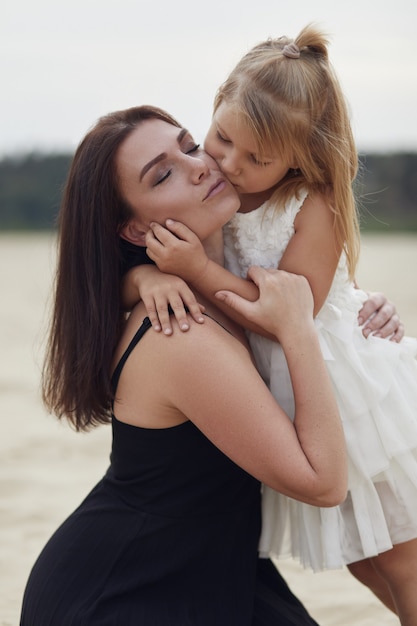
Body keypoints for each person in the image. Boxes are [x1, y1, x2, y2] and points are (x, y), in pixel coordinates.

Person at [128, 25, 417, 624]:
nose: (229, 164)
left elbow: (286, 313)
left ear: (299, 156)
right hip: (287, 404)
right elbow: (115, 268)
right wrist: (147, 279)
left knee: (405, 563)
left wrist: (195, 270)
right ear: (214, 109)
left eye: (257, 159)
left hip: (346, 393)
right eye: (221, 138)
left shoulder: (316, 200)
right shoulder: (212, 189)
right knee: (364, 562)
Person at [19, 105, 349, 626]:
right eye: (164, 174)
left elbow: (317, 295)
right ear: (135, 229)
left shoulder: (217, 280)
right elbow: (323, 482)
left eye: (191, 145)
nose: (199, 166)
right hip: (128, 593)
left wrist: (369, 312)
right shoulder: (181, 332)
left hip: (214, 568)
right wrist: (297, 330)